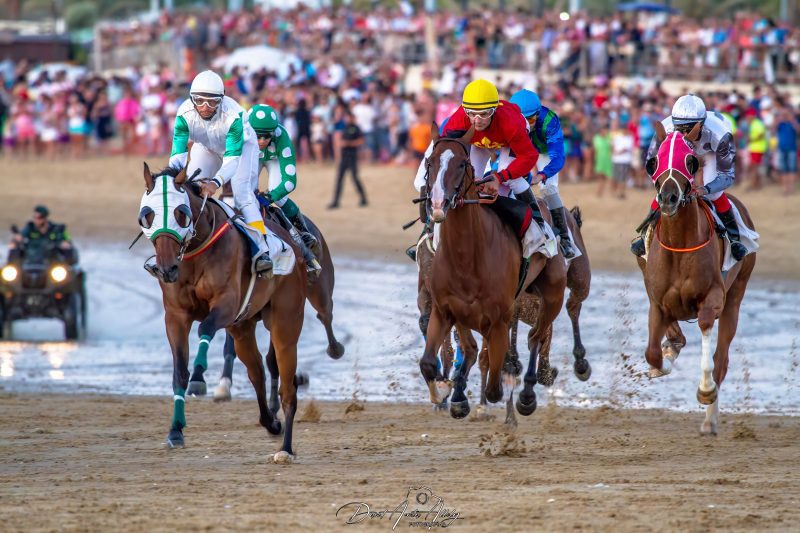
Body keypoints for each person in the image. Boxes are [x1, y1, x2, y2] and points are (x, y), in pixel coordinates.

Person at [406, 79, 541, 261]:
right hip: (478, 142)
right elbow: (448, 153)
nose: (477, 120)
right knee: (472, 183)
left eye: (484, 114)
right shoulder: (459, 119)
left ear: (494, 111)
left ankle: (538, 225)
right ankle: (428, 233)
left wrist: (499, 177)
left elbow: (530, 157)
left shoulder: (512, 123)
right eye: (472, 114)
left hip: (507, 141)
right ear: (465, 110)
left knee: (508, 182)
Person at [167, 70, 273, 276]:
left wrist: (216, 182)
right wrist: (172, 178)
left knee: (242, 194)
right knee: (190, 188)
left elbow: (232, 159)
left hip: (241, 149)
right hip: (206, 146)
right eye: (199, 100)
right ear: (191, 99)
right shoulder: (183, 114)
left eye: (212, 102)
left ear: (221, 100)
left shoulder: (235, 116)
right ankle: (185, 240)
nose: (205, 107)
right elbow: (178, 154)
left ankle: (262, 250)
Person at [630, 94, 748, 262]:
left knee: (713, 194)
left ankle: (734, 239)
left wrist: (704, 189)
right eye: (680, 129)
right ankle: (644, 234)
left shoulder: (720, 135)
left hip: (709, 152)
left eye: (689, 130)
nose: (684, 135)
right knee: (665, 191)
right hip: (681, 154)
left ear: (701, 125)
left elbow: (727, 176)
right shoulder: (666, 128)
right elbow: (651, 164)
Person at [247, 103, 321, 274]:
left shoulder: (282, 136)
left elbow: (290, 181)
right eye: (258, 136)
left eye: (267, 137)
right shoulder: (242, 134)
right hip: (252, 159)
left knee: (279, 197)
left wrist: (270, 196)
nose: (263, 141)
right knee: (246, 195)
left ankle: (303, 231)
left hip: (274, 160)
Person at [508, 89, 576, 258]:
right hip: (521, 150)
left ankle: (564, 236)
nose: (526, 124)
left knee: (548, 188)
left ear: (538, 115)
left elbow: (558, 157)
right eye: (521, 119)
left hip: (544, 152)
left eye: (530, 119)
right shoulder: (506, 119)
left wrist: (542, 175)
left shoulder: (550, 121)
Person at [328, 111, 368, 209]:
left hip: (352, 156)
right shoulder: (344, 128)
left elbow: (361, 141)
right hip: (344, 157)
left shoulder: (356, 128)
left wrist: (349, 143)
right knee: (339, 179)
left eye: (349, 118)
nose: (347, 119)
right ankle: (336, 202)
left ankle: (364, 199)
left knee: (355, 178)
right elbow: (340, 142)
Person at [8, 205, 74, 263]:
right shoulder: (30, 227)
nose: (36, 220)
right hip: (31, 260)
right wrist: (17, 239)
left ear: (45, 218)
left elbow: (67, 241)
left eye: (39, 218)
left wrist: (64, 243)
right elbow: (21, 236)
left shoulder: (55, 229)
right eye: (34, 217)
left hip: (52, 260)